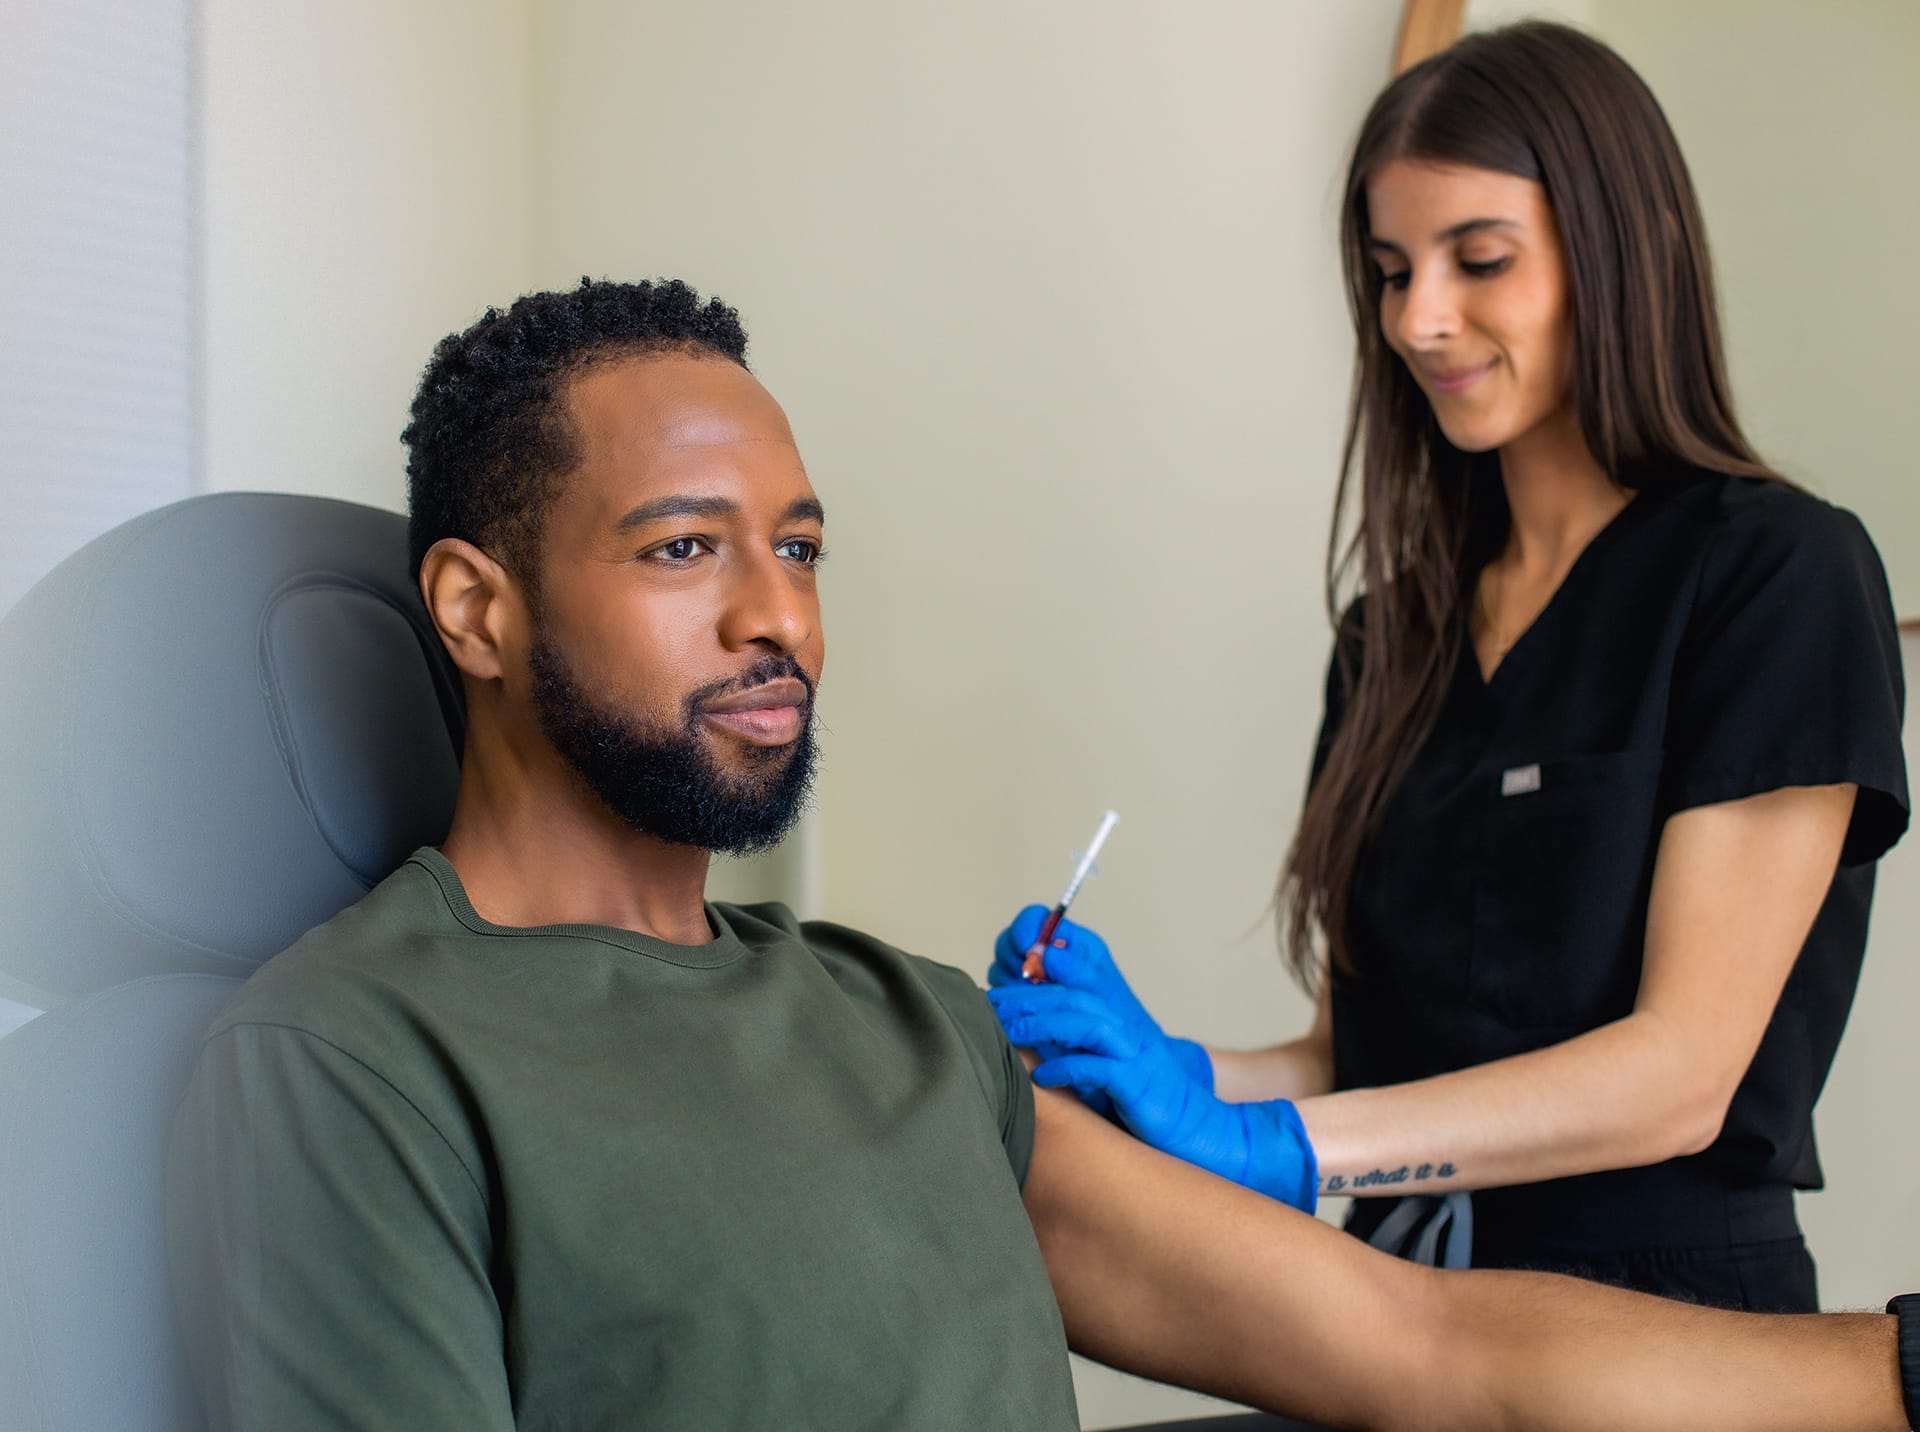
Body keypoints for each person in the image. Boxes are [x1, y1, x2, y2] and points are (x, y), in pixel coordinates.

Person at [165, 278, 1915, 1432]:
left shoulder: (911, 1028)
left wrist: (1896, 1369)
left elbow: (1437, 1353)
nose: (781, 615)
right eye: (688, 548)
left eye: (802, 545)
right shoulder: (357, 1060)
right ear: (477, 608)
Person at [986, 20, 1909, 1312]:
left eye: (1480, 260)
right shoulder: (1389, 639)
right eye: (1388, 268)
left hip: (1659, 1327)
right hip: (1389, 1310)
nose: (1419, 320)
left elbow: (1683, 1074)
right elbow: (1354, 1062)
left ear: (1617, 250)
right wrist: (1158, 1068)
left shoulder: (1775, 580)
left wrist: (1278, 1151)